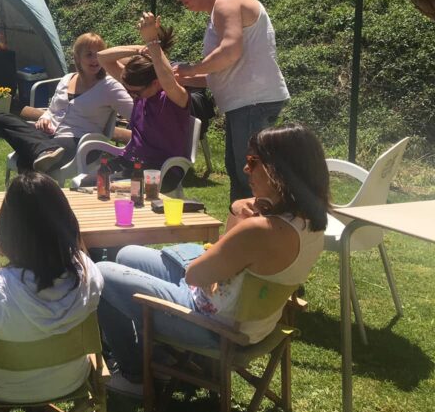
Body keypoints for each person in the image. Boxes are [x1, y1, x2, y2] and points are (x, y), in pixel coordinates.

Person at [95, 124, 329, 396]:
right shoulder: (310, 223)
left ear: (279, 170)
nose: (246, 169)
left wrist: (237, 217)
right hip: (248, 320)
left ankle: (135, 375)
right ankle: (160, 357)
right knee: (127, 253)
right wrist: (239, 209)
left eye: (253, 162)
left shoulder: (260, 230)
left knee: (102, 272)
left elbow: (195, 275)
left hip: (215, 328)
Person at [0, 172, 104, 402]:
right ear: (67, 222)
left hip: (2, 390)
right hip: (71, 382)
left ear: (7, 229)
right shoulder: (90, 275)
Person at [172, 0, 289, 203]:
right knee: (238, 171)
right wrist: (186, 78)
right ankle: (240, 222)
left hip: (253, 102)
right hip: (246, 103)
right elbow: (224, 71)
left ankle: (261, 223)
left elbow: (230, 50)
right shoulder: (219, 10)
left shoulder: (227, 2)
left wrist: (191, 69)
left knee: (250, 176)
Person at [0, 33, 132, 173]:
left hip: (80, 141)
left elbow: (135, 114)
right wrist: (44, 118)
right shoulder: (67, 79)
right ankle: (44, 151)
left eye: (98, 54)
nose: (95, 60)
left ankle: (42, 152)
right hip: (48, 135)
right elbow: (52, 110)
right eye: (89, 54)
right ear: (77, 57)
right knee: (1, 118)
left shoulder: (109, 86)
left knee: (26, 156)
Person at [97, 15, 191, 193]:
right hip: (132, 162)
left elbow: (168, 80)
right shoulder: (140, 92)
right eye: (128, 90)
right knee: (90, 183)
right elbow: (102, 58)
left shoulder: (174, 97)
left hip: (162, 170)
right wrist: (140, 49)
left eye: (135, 92)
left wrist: (153, 42)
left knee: (112, 188)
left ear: (155, 83)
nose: (132, 96)